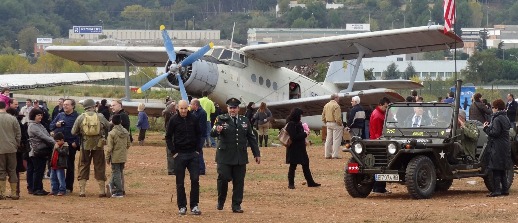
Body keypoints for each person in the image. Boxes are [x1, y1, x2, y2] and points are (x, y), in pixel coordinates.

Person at [211, 97, 261, 213]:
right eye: (230, 108)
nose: (232, 110)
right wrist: (217, 130)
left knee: (239, 181)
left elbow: (251, 137)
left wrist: (256, 154)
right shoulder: (220, 119)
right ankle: (221, 201)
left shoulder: (244, 121)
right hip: (224, 156)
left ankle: (236, 205)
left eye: (234, 108)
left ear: (238, 109)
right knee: (223, 178)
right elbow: (212, 132)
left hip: (240, 156)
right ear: (227, 108)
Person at [166, 100, 202, 215]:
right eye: (181, 108)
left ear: (189, 108)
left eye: (185, 108)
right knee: (180, 182)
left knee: (195, 180)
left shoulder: (194, 119)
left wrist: (198, 150)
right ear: (178, 108)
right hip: (179, 155)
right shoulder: (173, 120)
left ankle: (194, 205)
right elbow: (168, 137)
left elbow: (200, 134)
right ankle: (182, 206)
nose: (183, 111)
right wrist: (174, 152)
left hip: (193, 155)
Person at [71, 98, 110, 197]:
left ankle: (82, 191)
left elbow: (73, 132)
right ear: (94, 106)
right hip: (99, 146)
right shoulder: (100, 116)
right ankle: (101, 191)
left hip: (85, 145)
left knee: (83, 166)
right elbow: (108, 127)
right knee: (100, 166)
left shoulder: (81, 117)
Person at [285, 107, 320, 189]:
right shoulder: (291, 124)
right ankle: (291, 184)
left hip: (300, 148)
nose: (301, 117)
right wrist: (305, 134)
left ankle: (310, 182)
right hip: (293, 149)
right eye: (300, 115)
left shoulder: (297, 123)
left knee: (305, 165)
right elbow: (294, 137)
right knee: (293, 166)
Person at [483, 99, 512, 197]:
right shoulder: (506, 117)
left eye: (493, 107)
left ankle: (496, 190)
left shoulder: (496, 119)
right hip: (505, 145)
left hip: (497, 146)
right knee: (502, 169)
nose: (492, 109)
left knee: (495, 168)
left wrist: (486, 128)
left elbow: (495, 133)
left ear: (497, 108)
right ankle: (505, 189)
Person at [50, 99, 80, 193]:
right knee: (57, 165)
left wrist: (76, 142)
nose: (65, 106)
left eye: (67, 104)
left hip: (70, 144)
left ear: (73, 106)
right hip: (59, 145)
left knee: (69, 165)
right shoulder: (60, 115)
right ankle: (58, 187)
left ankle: (68, 187)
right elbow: (51, 126)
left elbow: (81, 131)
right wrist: (56, 124)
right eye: (64, 104)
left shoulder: (77, 116)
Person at [27, 108, 54, 196]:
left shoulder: (39, 125)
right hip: (37, 151)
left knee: (41, 170)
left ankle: (40, 188)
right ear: (33, 116)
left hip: (42, 150)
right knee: (38, 170)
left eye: (41, 115)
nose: (40, 117)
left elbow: (47, 135)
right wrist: (54, 143)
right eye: (38, 115)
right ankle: (36, 189)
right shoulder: (33, 126)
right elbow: (43, 136)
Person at [105, 114, 131, 198]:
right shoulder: (126, 131)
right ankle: (111, 185)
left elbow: (110, 148)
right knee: (118, 172)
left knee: (116, 173)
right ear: (121, 121)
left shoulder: (111, 133)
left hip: (115, 156)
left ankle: (119, 191)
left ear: (112, 122)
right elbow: (128, 144)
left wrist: (107, 157)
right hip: (123, 155)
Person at [369, 97, 391, 194]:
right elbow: (378, 132)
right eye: (386, 107)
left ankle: (378, 186)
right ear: (381, 104)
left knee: (377, 164)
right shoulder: (379, 116)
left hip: (375, 141)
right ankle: (379, 187)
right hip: (379, 142)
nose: (386, 109)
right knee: (382, 164)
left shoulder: (376, 113)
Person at [0, 101, 21, 200]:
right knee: (12, 170)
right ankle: (13, 193)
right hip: (11, 148)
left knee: (1, 171)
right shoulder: (12, 118)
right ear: (5, 107)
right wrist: (16, 144)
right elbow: (18, 134)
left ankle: (2, 193)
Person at [5, 105, 27, 199]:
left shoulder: (14, 123)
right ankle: (15, 192)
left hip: (14, 150)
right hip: (17, 149)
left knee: (13, 170)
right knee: (15, 170)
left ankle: (15, 192)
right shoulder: (18, 123)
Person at [322, 93, 343, 159]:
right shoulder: (336, 106)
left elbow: (323, 117)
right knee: (336, 139)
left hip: (328, 123)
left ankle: (327, 154)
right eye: (338, 98)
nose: (339, 99)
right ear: (335, 98)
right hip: (335, 123)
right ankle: (335, 155)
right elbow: (338, 118)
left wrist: (326, 122)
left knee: (328, 139)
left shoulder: (326, 105)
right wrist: (340, 124)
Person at [190, 99, 208, 175]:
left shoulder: (202, 113)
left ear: (195, 105)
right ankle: (197, 168)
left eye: (191, 104)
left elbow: (201, 126)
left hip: (200, 136)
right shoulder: (195, 112)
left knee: (198, 151)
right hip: (196, 135)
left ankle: (201, 169)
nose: (190, 106)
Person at [162, 101, 176, 175]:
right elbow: (166, 111)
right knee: (170, 153)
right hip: (170, 136)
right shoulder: (167, 114)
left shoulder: (174, 114)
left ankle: (174, 168)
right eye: (173, 106)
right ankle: (171, 170)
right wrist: (171, 104)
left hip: (176, 135)